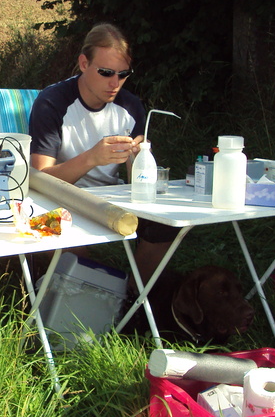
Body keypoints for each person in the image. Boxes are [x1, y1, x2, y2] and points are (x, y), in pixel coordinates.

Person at [29, 23, 179, 282]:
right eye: (106, 72)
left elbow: (136, 183)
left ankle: (136, 292)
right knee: (54, 231)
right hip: (60, 199)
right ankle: (94, 288)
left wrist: (138, 157)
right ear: (84, 64)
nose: (115, 83)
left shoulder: (130, 106)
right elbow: (39, 180)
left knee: (166, 225)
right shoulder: (53, 102)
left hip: (110, 197)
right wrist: (91, 158)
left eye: (123, 74)